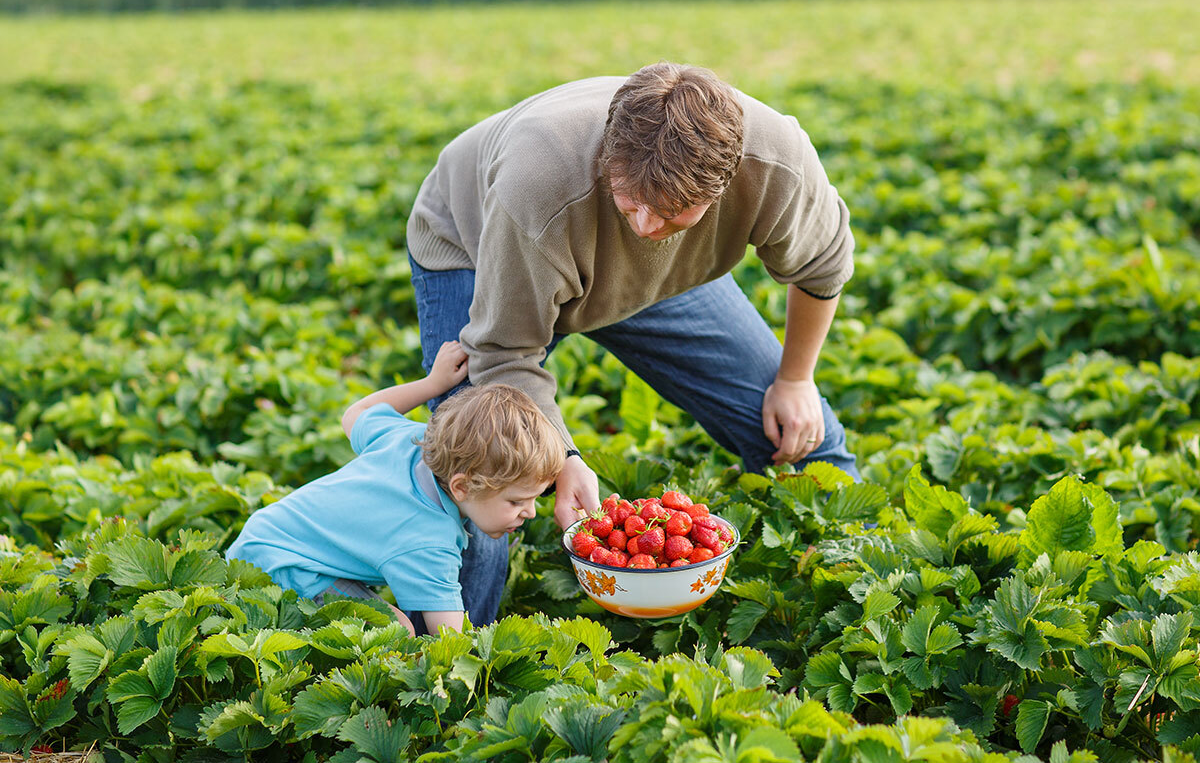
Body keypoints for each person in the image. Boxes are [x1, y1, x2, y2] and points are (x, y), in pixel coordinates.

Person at [406, 61, 858, 625]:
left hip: (658, 284)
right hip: (477, 248)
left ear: (721, 187)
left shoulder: (775, 164)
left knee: (801, 432)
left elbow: (824, 266)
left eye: (671, 215)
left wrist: (795, 379)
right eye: (630, 201)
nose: (645, 227)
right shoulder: (539, 184)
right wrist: (563, 457)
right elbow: (504, 354)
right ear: (609, 155)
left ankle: (853, 596)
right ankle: (456, 663)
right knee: (481, 475)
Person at [225, 341, 561, 635]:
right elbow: (452, 638)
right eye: (516, 500)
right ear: (461, 486)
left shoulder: (408, 440)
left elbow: (357, 412)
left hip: (269, 533)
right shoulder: (428, 542)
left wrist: (434, 383)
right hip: (279, 566)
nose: (529, 512)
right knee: (395, 631)